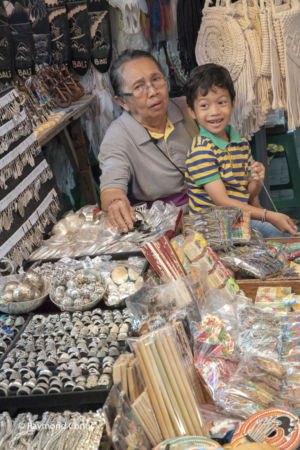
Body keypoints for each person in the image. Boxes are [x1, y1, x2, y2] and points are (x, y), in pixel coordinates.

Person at [184, 63, 299, 237]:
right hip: (213, 230)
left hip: (238, 221)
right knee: (285, 235)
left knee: (289, 235)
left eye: (221, 102)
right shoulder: (201, 152)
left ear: (233, 103)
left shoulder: (241, 144)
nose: (214, 112)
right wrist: (268, 216)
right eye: (204, 106)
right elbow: (222, 202)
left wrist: (257, 180)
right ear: (192, 111)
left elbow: (247, 194)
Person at [99, 49, 198, 233]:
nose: (153, 91)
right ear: (122, 102)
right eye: (138, 87)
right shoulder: (118, 136)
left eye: (156, 80)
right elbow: (112, 184)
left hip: (208, 210)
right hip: (163, 227)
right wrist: (116, 202)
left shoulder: (189, 109)